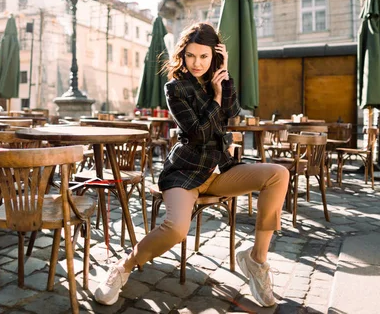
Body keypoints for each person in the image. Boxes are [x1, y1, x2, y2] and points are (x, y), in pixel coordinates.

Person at [94, 22, 289, 307]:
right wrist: (217, 97)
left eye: (204, 56)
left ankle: (256, 260)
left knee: (278, 174)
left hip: (220, 170)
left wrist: (225, 76)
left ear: (215, 56)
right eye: (191, 56)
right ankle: (122, 267)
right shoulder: (175, 88)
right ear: (182, 55)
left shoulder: (218, 79)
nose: (197, 63)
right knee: (175, 230)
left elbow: (233, 113)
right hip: (185, 172)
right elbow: (198, 132)